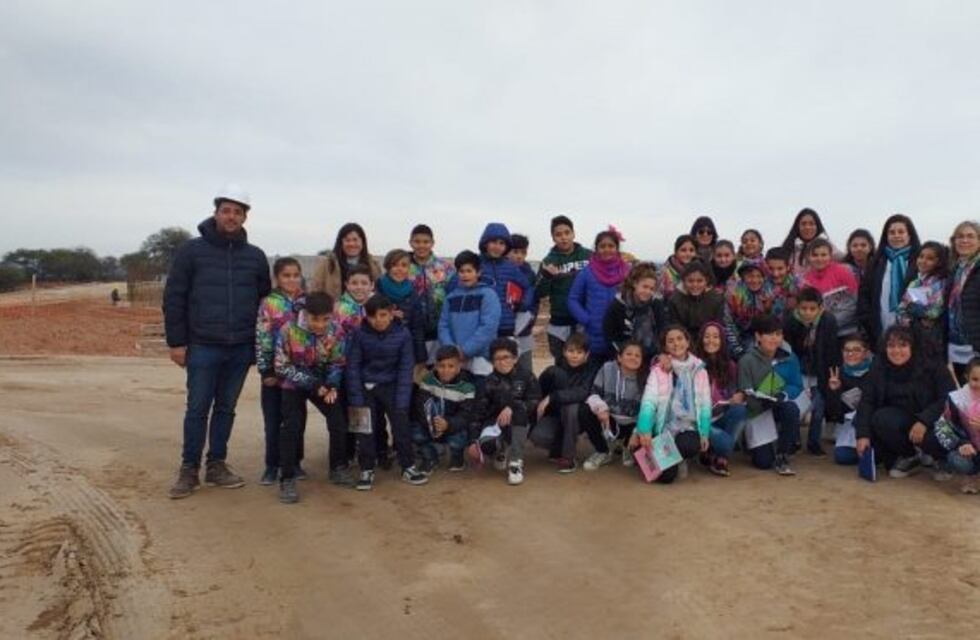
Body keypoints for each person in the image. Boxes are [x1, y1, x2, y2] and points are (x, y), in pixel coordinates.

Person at [164, 184, 271, 499]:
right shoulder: (191, 251)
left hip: (240, 347)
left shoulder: (255, 257)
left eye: (238, 212)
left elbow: (266, 304)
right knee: (197, 408)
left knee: (226, 408)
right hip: (202, 346)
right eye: (226, 210)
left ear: (245, 217)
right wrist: (177, 342)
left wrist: (259, 347)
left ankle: (216, 465)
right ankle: (188, 469)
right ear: (216, 212)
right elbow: (174, 298)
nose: (231, 216)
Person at [346, 294, 429, 490]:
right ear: (366, 317)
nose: (378, 320)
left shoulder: (403, 334)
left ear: (391, 314)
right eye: (373, 316)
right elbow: (353, 367)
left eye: (383, 315)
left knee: (401, 426)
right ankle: (367, 468)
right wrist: (357, 396)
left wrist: (402, 400)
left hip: (392, 387)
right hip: (365, 388)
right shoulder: (359, 334)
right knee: (364, 428)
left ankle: (407, 466)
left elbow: (405, 367)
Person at [272, 292, 349, 503]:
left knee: (338, 421)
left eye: (326, 319)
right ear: (306, 314)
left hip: (325, 384)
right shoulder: (288, 330)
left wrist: (332, 385)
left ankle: (338, 467)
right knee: (291, 426)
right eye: (316, 319)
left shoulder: (337, 331)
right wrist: (314, 385)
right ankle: (287, 478)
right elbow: (281, 366)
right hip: (294, 384)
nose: (320, 325)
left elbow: (338, 361)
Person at [853, 325, 954, 477]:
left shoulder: (933, 365)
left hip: (933, 420)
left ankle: (940, 459)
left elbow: (948, 398)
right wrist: (862, 435)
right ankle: (910, 456)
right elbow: (867, 401)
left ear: (913, 346)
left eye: (903, 345)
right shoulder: (879, 367)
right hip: (903, 420)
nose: (896, 351)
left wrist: (925, 421)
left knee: (934, 435)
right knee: (881, 418)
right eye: (891, 346)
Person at [633, 325, 712, 484]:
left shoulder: (700, 370)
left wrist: (704, 432)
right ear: (665, 347)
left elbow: (705, 403)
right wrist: (645, 429)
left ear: (688, 342)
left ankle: (675, 458)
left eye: (680, 339)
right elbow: (649, 401)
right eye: (670, 341)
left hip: (687, 426)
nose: (676, 344)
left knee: (690, 445)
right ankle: (664, 460)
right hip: (664, 427)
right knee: (666, 478)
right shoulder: (658, 370)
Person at [255, 257, 307, 485]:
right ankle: (272, 465)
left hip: (299, 372)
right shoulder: (269, 303)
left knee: (296, 418)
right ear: (277, 278)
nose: (292, 279)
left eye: (296, 275)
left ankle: (294, 462)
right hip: (275, 371)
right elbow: (263, 337)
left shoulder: (306, 302)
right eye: (287, 275)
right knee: (273, 419)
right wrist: (266, 370)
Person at [738, 315, 804, 475]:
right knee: (763, 463)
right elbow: (745, 390)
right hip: (757, 411)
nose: (774, 338)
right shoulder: (746, 360)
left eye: (778, 334)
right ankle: (750, 443)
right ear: (758, 336)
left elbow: (796, 384)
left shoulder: (789, 357)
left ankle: (783, 453)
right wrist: (760, 401)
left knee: (791, 408)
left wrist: (783, 395)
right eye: (769, 334)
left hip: (779, 406)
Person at [473, 338, 542, 485]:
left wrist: (512, 407)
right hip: (496, 423)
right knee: (486, 445)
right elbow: (479, 411)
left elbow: (534, 400)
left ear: (515, 358)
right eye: (497, 358)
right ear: (492, 361)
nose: (502, 362)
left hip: (522, 422)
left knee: (520, 412)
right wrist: (473, 440)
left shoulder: (527, 376)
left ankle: (516, 462)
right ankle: (500, 451)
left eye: (506, 357)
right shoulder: (487, 382)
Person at [783, 287, 841, 456]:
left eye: (812, 309)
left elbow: (831, 350)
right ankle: (794, 440)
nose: (808, 313)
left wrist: (830, 374)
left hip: (821, 371)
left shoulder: (829, 321)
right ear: (797, 308)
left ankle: (814, 442)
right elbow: (788, 350)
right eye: (803, 309)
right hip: (798, 370)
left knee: (818, 409)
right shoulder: (790, 322)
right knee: (795, 405)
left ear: (821, 308)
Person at [535, 333, 604, 473]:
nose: (574, 355)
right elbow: (538, 391)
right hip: (555, 416)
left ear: (587, 354)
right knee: (539, 434)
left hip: (580, 417)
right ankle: (556, 448)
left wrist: (552, 397)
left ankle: (568, 457)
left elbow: (583, 392)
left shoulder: (592, 369)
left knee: (571, 407)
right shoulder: (556, 370)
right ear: (564, 352)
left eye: (579, 352)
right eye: (571, 351)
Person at [411, 346, 478, 474]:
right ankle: (430, 458)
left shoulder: (467, 387)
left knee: (459, 438)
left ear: (459, 367)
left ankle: (457, 458)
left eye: (451, 366)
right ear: (435, 365)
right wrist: (432, 424)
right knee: (415, 433)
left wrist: (448, 424)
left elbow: (466, 415)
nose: (446, 370)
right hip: (431, 425)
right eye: (441, 366)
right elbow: (420, 407)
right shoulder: (427, 381)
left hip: (453, 426)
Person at [535, 215, 592, 365]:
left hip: (584, 321)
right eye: (558, 234)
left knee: (585, 364)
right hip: (559, 323)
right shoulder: (548, 261)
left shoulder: (589, 256)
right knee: (561, 364)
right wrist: (546, 277)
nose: (564, 238)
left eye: (567, 233)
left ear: (573, 233)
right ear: (553, 238)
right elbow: (540, 293)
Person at [568, 228, 631, 364]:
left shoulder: (627, 272)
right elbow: (573, 299)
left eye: (611, 246)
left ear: (617, 248)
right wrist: (586, 319)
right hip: (593, 333)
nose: (606, 250)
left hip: (620, 334)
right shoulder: (586, 272)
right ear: (596, 249)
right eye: (602, 246)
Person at [858, 214, 921, 347]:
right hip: (881, 329)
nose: (896, 236)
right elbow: (864, 295)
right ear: (886, 236)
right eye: (892, 232)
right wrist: (868, 323)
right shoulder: (876, 263)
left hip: (913, 330)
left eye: (901, 232)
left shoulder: (920, 261)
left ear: (909, 235)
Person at [438, 250, 501, 382]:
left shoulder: (488, 295)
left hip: (481, 359)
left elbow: (488, 327)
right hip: (455, 359)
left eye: (469, 271)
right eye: (461, 271)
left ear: (478, 272)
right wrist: (452, 351)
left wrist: (466, 350)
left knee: (480, 395)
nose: (465, 275)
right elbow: (443, 325)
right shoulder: (451, 297)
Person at [695, 322, 747, 477]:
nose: (711, 340)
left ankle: (719, 457)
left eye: (716, 337)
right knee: (727, 444)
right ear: (701, 339)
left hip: (721, 415)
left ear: (722, 340)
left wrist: (739, 396)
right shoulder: (693, 364)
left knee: (740, 410)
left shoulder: (730, 365)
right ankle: (717, 450)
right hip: (700, 420)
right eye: (707, 336)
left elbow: (737, 392)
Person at [584, 340, 646, 467]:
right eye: (628, 354)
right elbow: (593, 394)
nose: (633, 358)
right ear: (619, 357)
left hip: (634, 422)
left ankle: (627, 448)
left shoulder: (647, 377)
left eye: (637, 355)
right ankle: (603, 450)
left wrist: (637, 431)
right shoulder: (607, 368)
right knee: (584, 411)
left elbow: (649, 409)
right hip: (609, 419)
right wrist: (601, 408)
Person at [407, 224, 455, 362]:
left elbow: (453, 295)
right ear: (410, 242)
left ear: (432, 243)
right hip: (412, 329)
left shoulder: (446, 267)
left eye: (426, 242)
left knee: (436, 367)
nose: (421, 245)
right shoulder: (404, 267)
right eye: (417, 241)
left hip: (439, 328)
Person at [476, 222, 532, 339]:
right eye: (493, 242)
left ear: (506, 247)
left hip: (506, 325)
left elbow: (527, 287)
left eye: (502, 243)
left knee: (505, 357)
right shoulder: (475, 264)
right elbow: (455, 285)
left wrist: (524, 304)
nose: (497, 247)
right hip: (480, 325)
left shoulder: (510, 267)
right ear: (485, 243)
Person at [603, 261, 666, 364]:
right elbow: (609, 334)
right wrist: (621, 355)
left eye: (651, 289)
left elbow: (663, 329)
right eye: (644, 287)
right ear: (635, 283)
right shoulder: (619, 304)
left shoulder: (656, 304)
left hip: (651, 355)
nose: (648, 292)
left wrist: (661, 353)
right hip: (625, 356)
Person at [934, 358, 980, 494]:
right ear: (966, 377)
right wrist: (961, 443)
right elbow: (942, 426)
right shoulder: (956, 399)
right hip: (971, 452)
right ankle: (972, 475)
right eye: (975, 379)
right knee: (957, 459)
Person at [896, 241, 948, 363]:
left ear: (939, 262)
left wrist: (912, 308)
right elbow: (901, 308)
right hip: (911, 333)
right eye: (921, 256)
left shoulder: (940, 283)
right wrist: (911, 315)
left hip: (931, 338)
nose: (923, 261)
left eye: (930, 258)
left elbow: (933, 312)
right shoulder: (915, 282)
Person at [825, 336, 873, 465]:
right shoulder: (836, 373)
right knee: (843, 457)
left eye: (857, 350)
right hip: (850, 424)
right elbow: (834, 412)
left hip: (872, 421)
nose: (851, 354)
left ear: (866, 353)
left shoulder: (876, 371)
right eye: (847, 350)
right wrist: (834, 391)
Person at [378, 249, 428, 365]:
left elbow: (417, 328)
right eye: (394, 265)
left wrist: (420, 358)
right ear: (387, 267)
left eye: (404, 265)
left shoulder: (412, 292)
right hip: (378, 350)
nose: (399, 269)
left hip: (404, 349)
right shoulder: (377, 287)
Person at [310, 223, 382, 299]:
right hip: (334, 309)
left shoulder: (373, 264)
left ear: (362, 242)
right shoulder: (327, 263)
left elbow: (378, 291)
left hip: (366, 308)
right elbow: (315, 291)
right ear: (341, 242)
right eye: (347, 240)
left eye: (355, 240)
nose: (351, 244)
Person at [802, 239, 859, 336]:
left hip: (846, 331)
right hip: (819, 333)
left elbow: (854, 303)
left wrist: (829, 323)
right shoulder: (806, 279)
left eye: (823, 255)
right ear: (808, 257)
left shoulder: (844, 272)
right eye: (815, 255)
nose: (819, 259)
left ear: (830, 256)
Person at [946, 220, 980, 379]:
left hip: (976, 345)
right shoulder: (955, 270)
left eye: (970, 236)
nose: (964, 240)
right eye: (960, 236)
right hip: (956, 345)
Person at [723, 262, 774, 358]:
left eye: (759, 276)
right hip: (738, 337)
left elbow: (772, 323)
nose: (755, 280)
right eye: (750, 276)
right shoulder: (733, 295)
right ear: (743, 277)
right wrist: (738, 349)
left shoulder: (769, 293)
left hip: (760, 337)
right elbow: (728, 324)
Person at [667, 261, 725, 338]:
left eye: (700, 281)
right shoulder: (674, 300)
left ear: (706, 281)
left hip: (709, 339)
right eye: (690, 281)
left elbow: (718, 326)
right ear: (684, 281)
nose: (695, 285)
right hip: (684, 339)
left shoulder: (717, 300)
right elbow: (676, 327)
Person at [508, 234, 539, 375]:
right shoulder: (502, 271)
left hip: (524, 329)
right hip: (505, 329)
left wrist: (531, 319)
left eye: (523, 252)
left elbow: (535, 301)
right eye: (515, 252)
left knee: (525, 369)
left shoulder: (530, 274)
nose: (519, 256)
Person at [780, 207, 839, 275]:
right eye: (803, 224)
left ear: (817, 226)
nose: (807, 227)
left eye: (811, 224)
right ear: (797, 227)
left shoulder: (826, 246)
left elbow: (845, 260)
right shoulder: (789, 247)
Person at [333, 264, 375, 338]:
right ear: (347, 285)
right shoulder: (338, 308)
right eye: (354, 283)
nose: (359, 287)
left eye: (364, 283)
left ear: (372, 285)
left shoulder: (378, 306)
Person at [658, 235, 698, 300]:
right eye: (683, 250)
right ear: (676, 252)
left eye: (691, 250)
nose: (688, 254)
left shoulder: (700, 270)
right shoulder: (665, 272)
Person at [765, 246, 799, 321]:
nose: (775, 274)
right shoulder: (761, 284)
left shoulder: (799, 284)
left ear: (788, 267)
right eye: (771, 268)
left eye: (780, 268)